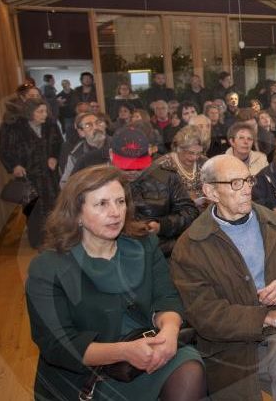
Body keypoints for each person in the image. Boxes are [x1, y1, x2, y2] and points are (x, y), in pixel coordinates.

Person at [25, 165, 206, 400]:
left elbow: (167, 298)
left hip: (148, 345)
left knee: (190, 371)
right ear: (77, 213)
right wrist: (124, 352)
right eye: (102, 204)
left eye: (120, 202)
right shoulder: (48, 267)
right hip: (88, 372)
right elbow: (58, 345)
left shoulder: (144, 244)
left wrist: (170, 333)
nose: (115, 212)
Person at [169, 154, 276, 400]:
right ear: (210, 192)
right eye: (235, 183)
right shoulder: (191, 246)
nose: (246, 190)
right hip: (229, 346)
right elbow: (205, 315)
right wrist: (266, 316)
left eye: (248, 180)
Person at [109, 128, 199, 256]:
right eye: (126, 167)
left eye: (139, 166)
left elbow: (190, 212)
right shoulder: (100, 182)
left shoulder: (167, 177)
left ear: (150, 152)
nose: (133, 171)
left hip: (162, 250)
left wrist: (162, 226)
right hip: (116, 251)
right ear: (111, 154)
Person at [0, 97, 62, 249]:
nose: (44, 114)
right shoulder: (14, 128)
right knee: (32, 209)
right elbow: (3, 150)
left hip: (49, 176)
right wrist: (14, 166)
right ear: (29, 112)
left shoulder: (51, 125)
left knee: (54, 206)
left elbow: (58, 143)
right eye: (40, 112)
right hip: (28, 177)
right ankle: (38, 241)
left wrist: (54, 156)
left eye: (45, 111)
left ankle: (57, 238)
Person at [152, 126, 208, 203]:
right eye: (190, 152)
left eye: (199, 153)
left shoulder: (204, 162)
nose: (194, 157)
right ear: (179, 148)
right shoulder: (163, 165)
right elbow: (154, 198)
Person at [60, 112, 109, 188]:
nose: (96, 127)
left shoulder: (118, 145)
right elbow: (65, 184)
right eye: (88, 125)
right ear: (81, 132)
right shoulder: (76, 155)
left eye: (98, 123)